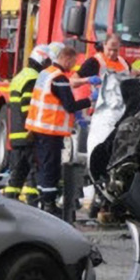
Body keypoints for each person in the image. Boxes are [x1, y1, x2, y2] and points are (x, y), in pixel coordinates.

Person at [25, 47, 92, 216]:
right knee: (51, 168)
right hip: (50, 130)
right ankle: (49, 205)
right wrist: (89, 101)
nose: (74, 66)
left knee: (43, 166)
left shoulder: (45, 73)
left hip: (39, 128)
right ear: (67, 59)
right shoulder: (59, 78)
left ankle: (42, 200)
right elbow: (69, 105)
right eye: (74, 62)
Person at [1, 45, 51, 206]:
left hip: (16, 135)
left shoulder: (20, 76)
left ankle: (8, 202)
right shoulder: (33, 78)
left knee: (17, 173)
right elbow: (28, 107)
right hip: (28, 134)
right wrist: (35, 130)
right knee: (33, 172)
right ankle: (32, 204)